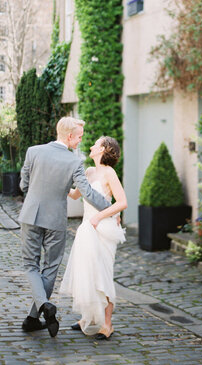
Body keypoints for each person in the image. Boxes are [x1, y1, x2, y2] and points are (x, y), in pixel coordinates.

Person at [18, 117, 112, 338]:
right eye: (79, 137)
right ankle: (38, 313)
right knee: (50, 269)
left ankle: (37, 314)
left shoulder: (33, 151)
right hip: (55, 221)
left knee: (31, 266)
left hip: (30, 215)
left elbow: (23, 184)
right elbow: (88, 194)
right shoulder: (74, 162)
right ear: (69, 136)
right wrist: (111, 208)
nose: (81, 141)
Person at [60, 135, 127, 340]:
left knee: (102, 273)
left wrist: (100, 215)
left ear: (104, 149)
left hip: (103, 228)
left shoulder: (109, 173)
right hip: (86, 227)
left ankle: (107, 324)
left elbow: (122, 202)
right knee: (87, 272)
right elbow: (74, 194)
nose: (91, 146)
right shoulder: (88, 172)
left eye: (95, 144)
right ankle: (87, 318)